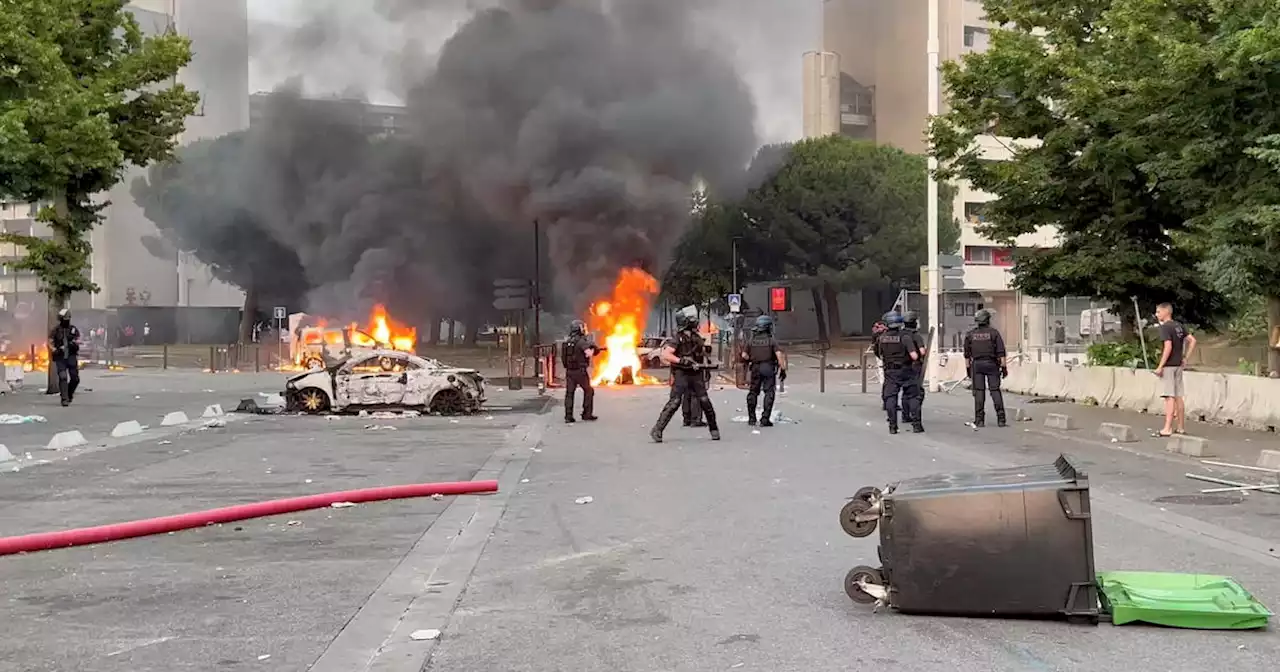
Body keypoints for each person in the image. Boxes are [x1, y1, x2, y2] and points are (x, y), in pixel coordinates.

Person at [650, 313, 719, 442]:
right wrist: (681, 361)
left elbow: (702, 354)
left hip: (695, 373)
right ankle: (657, 430)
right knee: (674, 402)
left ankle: (714, 430)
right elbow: (666, 354)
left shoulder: (696, 337)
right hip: (682, 373)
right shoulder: (678, 338)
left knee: (704, 400)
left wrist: (705, 358)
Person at [873, 312, 920, 434]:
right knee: (913, 396)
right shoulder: (905, 337)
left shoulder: (881, 338)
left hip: (890, 371)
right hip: (906, 370)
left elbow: (878, 353)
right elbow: (914, 356)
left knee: (890, 397)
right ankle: (916, 425)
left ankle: (893, 426)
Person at [1155, 302, 1197, 436]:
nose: (1157, 315)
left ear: (1166, 312)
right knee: (1179, 396)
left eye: (1158, 312)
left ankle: (1167, 428)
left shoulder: (1165, 328)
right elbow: (1192, 340)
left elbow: (1168, 347)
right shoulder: (1179, 326)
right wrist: (1185, 358)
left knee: (1169, 396)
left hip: (1169, 366)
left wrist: (1160, 366)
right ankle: (1180, 427)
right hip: (1179, 364)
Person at [964, 308, 1008, 427]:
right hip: (992, 364)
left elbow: (967, 356)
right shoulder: (994, 333)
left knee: (979, 392)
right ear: (988, 320)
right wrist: (1004, 368)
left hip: (977, 365)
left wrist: (968, 371)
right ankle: (1001, 419)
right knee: (995, 391)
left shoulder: (970, 334)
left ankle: (979, 420)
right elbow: (1001, 353)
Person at [740, 315, 787, 427]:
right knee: (769, 392)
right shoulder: (771, 340)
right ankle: (765, 419)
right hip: (768, 367)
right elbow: (779, 355)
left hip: (755, 368)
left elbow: (744, 355)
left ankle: (752, 419)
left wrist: (752, 358)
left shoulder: (751, 340)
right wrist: (783, 369)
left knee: (753, 392)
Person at [561, 320, 602, 423]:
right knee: (589, 391)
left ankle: (568, 416)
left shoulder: (567, 341)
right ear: (579, 329)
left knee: (569, 393)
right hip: (580, 371)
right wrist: (594, 349)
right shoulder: (581, 341)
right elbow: (589, 353)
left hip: (569, 372)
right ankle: (586, 414)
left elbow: (563, 357)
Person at [901, 311, 928, 431]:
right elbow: (922, 352)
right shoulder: (916, 336)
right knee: (916, 394)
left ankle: (905, 415)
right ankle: (915, 419)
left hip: (901, 367)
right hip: (914, 366)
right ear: (914, 323)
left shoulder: (900, 334)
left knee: (905, 392)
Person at [49, 308, 81, 406]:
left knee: (75, 379)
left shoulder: (73, 329)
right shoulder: (56, 330)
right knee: (63, 377)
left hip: (71, 356)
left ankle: (69, 394)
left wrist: (75, 343)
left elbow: (78, 339)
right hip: (60, 357)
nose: (66, 320)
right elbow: (50, 341)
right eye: (64, 318)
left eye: (68, 318)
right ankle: (64, 398)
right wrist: (54, 348)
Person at [681, 337, 712, 428]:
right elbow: (705, 362)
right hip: (695, 375)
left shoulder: (684, 348)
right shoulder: (697, 350)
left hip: (685, 374)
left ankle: (687, 419)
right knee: (696, 396)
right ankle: (695, 419)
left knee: (687, 395)